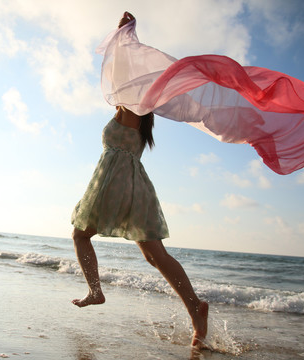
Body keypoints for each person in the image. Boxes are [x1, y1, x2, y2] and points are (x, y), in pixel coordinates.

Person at [70, 12, 209, 348]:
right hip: (133, 183)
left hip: (116, 180)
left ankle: (95, 291)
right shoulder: (137, 113)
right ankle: (196, 310)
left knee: (80, 234)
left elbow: (119, 68)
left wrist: (122, 35)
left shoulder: (133, 107)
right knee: (154, 254)